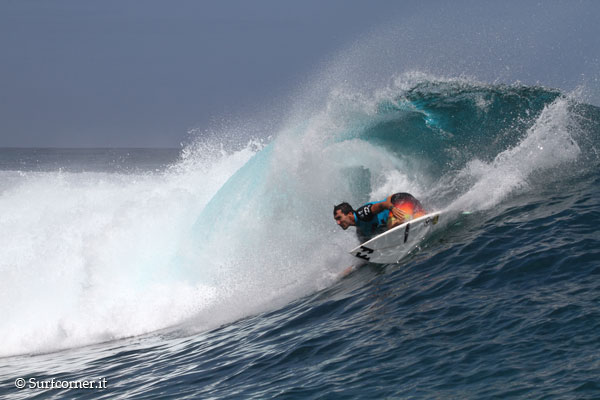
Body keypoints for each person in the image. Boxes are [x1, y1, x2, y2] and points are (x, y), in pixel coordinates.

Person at [333, 192, 427, 241]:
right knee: (420, 220)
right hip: (409, 207)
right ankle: (427, 217)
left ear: (349, 214)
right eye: (336, 220)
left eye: (339, 218)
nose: (338, 222)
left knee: (392, 225)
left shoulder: (362, 213)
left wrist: (392, 208)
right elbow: (370, 251)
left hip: (400, 200)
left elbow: (382, 205)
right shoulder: (361, 233)